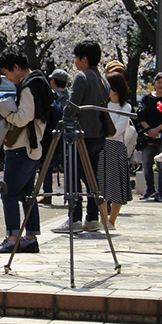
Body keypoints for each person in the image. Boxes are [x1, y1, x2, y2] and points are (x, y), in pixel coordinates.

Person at [0, 49, 51, 254]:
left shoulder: (27, 86)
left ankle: (12, 238)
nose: (7, 78)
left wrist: (3, 112)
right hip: (34, 147)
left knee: (8, 193)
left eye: (7, 73)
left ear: (16, 68)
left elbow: (23, 118)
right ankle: (30, 237)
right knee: (26, 194)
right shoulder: (40, 81)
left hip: (21, 148)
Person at [52, 41, 109, 234]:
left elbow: (72, 108)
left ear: (84, 59)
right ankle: (92, 218)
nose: (75, 61)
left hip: (79, 136)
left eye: (77, 57)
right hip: (98, 135)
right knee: (92, 179)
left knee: (73, 177)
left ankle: (74, 218)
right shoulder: (103, 80)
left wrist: (62, 100)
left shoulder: (81, 77)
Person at [96, 71, 133, 230]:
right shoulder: (101, 104)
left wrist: (102, 130)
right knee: (100, 186)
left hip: (116, 147)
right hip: (101, 147)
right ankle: (103, 220)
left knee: (116, 186)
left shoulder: (126, 106)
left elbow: (117, 130)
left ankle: (112, 221)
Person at [137, 72, 162, 201]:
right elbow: (140, 114)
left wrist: (157, 129)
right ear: (154, 84)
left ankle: (160, 191)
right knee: (146, 163)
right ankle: (149, 188)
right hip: (148, 134)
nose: (161, 85)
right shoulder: (147, 99)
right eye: (158, 82)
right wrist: (149, 129)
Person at [38, 69, 68, 204]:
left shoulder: (51, 97)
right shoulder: (69, 97)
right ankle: (71, 194)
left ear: (54, 81)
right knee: (69, 165)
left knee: (47, 166)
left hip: (50, 136)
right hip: (68, 136)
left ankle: (47, 194)